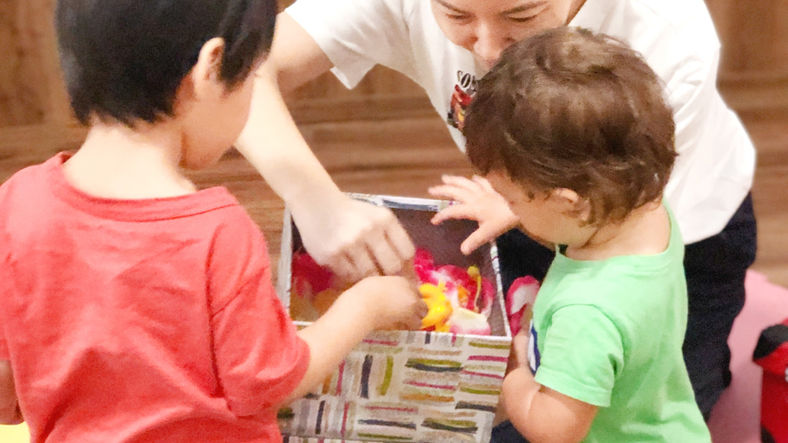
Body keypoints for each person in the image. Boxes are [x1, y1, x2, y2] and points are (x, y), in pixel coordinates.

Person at [236, 0, 757, 418]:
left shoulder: (668, 34)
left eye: (522, 16)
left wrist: (511, 378)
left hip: (672, 242)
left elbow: (624, 234)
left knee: (631, 397)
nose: (487, 52)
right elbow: (238, 71)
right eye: (455, 14)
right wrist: (316, 202)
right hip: (542, 212)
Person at [0, 0, 426, 441]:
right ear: (211, 67)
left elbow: (6, 388)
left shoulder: (16, 201)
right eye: (251, 81)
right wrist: (367, 305)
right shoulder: (217, 233)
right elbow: (269, 384)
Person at [464, 27, 710, 442]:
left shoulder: (587, 315)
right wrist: (518, 213)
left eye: (511, 199)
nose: (507, 207)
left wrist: (512, 371)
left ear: (569, 202)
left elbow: (553, 429)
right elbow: (572, 225)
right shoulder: (642, 209)